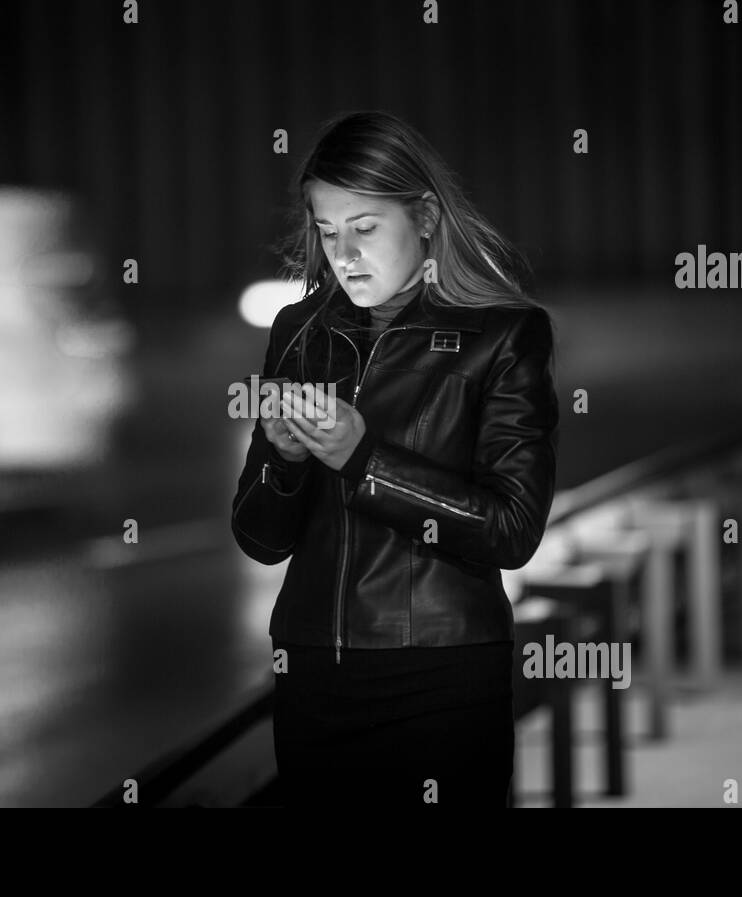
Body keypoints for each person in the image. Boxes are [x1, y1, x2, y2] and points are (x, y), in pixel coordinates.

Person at [230, 111, 560, 807]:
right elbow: (260, 539)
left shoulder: (503, 334)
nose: (343, 253)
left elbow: (512, 527)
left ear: (426, 217)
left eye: (365, 227)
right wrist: (284, 462)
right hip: (313, 672)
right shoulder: (301, 330)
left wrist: (362, 459)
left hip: (443, 679)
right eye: (326, 230)